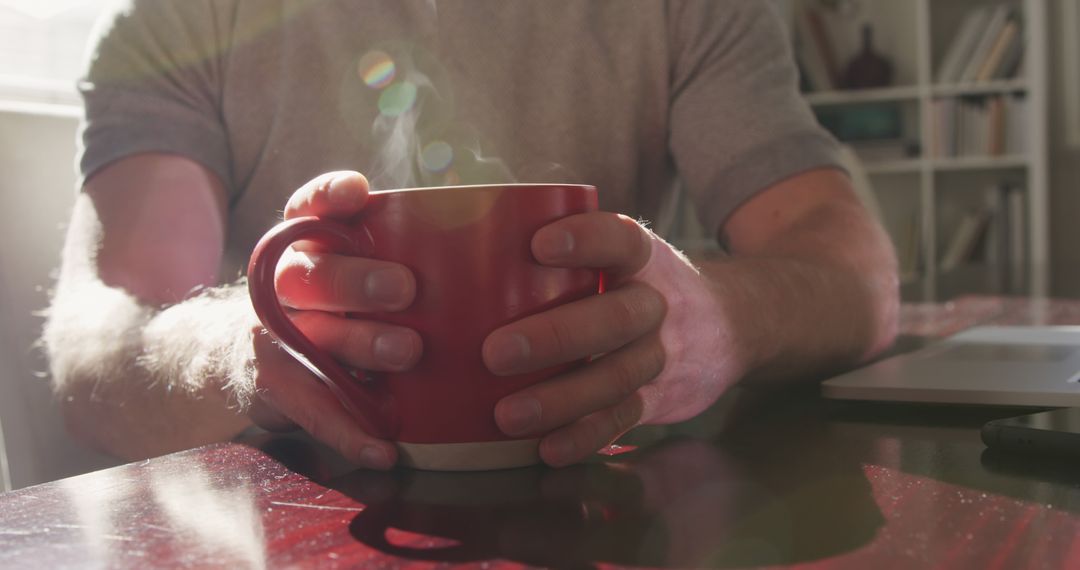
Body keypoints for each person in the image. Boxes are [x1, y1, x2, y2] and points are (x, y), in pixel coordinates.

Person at [43, 0, 898, 469]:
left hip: (597, 500)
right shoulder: (174, 22)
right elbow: (95, 337)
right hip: (308, 520)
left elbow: (857, 274)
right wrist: (241, 347)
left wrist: (724, 320)